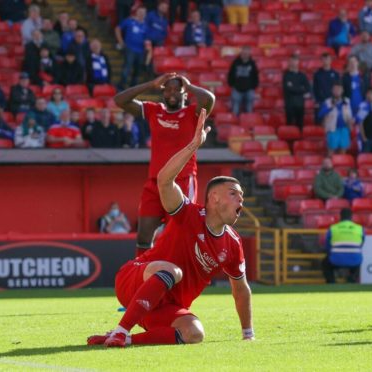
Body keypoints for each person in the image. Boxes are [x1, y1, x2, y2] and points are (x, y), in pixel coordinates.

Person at [88, 110, 253, 347]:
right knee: (173, 271)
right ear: (214, 198)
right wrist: (193, 146)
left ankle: (125, 339)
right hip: (134, 280)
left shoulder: (233, 243)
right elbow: (164, 180)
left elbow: (241, 289)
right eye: (234, 194)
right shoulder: (190, 214)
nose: (241, 200)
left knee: (194, 333)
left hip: (164, 306)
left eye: (242, 196)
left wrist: (248, 334)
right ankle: (121, 330)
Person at [114, 72, 215, 257]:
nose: (172, 93)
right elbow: (120, 100)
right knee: (143, 237)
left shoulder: (193, 113)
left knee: (178, 235)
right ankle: (141, 276)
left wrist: (189, 85)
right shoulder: (155, 110)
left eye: (177, 89)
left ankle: (178, 278)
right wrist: (150, 84)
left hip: (182, 181)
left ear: (185, 93)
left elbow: (209, 99)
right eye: (168, 89)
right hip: (155, 182)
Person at [322, 208, 364, 284]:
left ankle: (331, 282)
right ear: (351, 217)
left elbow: (327, 245)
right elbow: (361, 244)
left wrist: (331, 253)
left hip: (336, 260)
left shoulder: (333, 228)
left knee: (325, 263)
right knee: (357, 260)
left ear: (340, 217)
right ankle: (352, 280)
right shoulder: (360, 228)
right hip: (354, 260)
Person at [317, 82, 354, 156]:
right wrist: (331, 107)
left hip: (344, 128)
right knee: (331, 151)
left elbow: (350, 115)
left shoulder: (347, 101)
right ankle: (331, 166)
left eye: (339, 89)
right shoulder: (328, 101)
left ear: (342, 90)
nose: (337, 91)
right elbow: (320, 114)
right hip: (332, 129)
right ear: (332, 90)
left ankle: (341, 166)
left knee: (343, 150)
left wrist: (350, 122)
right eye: (335, 89)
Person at [116, 7, 147, 89]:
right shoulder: (130, 21)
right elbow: (118, 28)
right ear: (136, 12)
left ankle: (133, 89)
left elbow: (147, 38)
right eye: (140, 12)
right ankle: (121, 87)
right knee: (127, 68)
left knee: (137, 70)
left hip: (140, 50)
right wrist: (120, 41)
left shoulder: (145, 25)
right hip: (130, 48)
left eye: (143, 13)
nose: (141, 14)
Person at [227, 46, 259, 116]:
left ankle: (248, 124)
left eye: (247, 52)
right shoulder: (235, 62)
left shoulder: (252, 63)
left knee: (249, 110)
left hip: (249, 90)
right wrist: (232, 84)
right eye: (244, 52)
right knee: (235, 110)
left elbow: (255, 76)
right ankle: (235, 125)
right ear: (241, 52)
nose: (245, 54)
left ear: (249, 53)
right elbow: (230, 74)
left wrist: (253, 86)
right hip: (237, 89)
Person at [282, 55, 310, 128]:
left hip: (300, 104)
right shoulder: (286, 75)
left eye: (295, 60)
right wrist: (301, 89)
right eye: (292, 61)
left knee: (300, 124)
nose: (293, 62)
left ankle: (299, 139)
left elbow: (307, 88)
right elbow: (288, 88)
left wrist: (294, 88)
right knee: (290, 124)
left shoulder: (302, 75)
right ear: (289, 62)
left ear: (298, 62)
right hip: (289, 104)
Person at [313, 53, 340, 121]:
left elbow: (338, 88)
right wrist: (317, 101)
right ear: (321, 61)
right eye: (324, 59)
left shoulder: (335, 74)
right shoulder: (317, 74)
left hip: (333, 102)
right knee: (320, 123)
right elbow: (314, 89)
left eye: (327, 59)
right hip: (321, 102)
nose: (326, 61)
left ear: (331, 60)